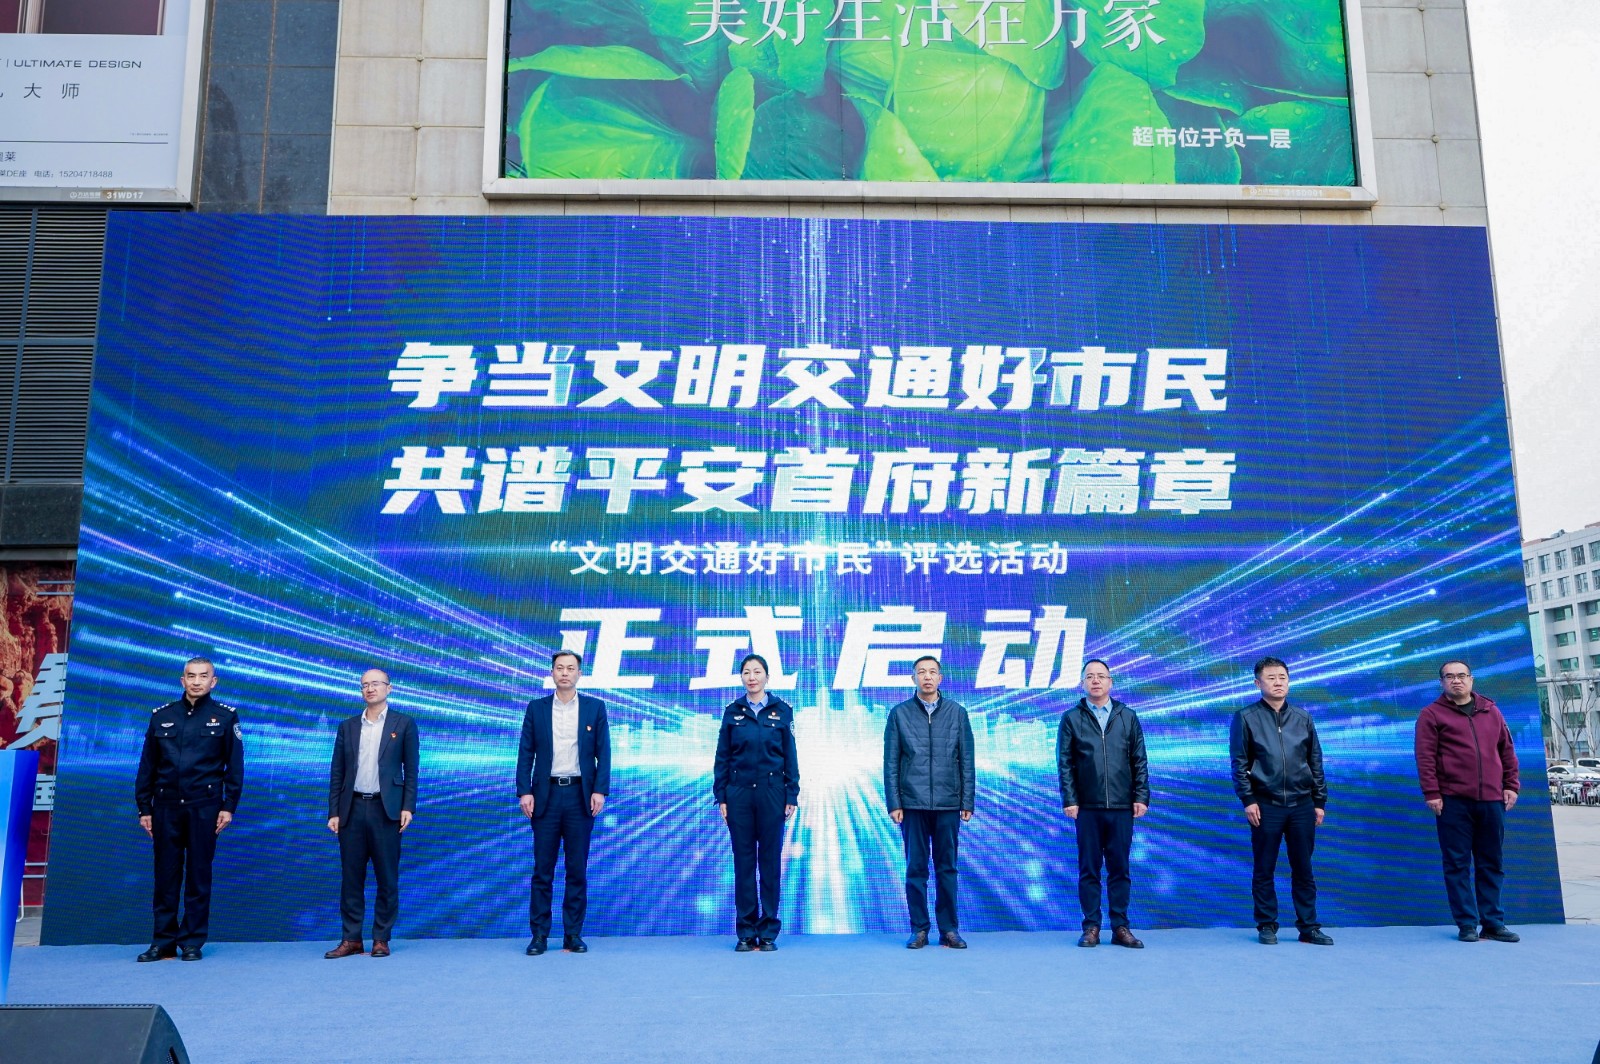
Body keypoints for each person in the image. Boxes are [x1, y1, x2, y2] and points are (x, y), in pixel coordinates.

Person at [133, 656, 244, 962]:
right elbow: (147, 765)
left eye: (203, 676)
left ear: (213, 681)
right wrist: (144, 808)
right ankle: (163, 941)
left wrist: (228, 806)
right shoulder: (162, 716)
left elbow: (234, 767)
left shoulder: (225, 717)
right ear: (182, 680)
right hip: (165, 807)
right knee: (165, 876)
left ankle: (192, 941)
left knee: (198, 875)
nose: (196, 681)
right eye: (191, 676)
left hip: (204, 808)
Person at [1414, 660, 1521, 943]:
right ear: (1442, 683)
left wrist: (1511, 785)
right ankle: (1466, 924)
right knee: (1457, 864)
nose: (1456, 680)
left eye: (1461, 675)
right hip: (1452, 802)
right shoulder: (1431, 715)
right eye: (1449, 677)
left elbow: (1507, 751)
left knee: (1491, 863)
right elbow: (1425, 758)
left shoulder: (1491, 710)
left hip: (1492, 800)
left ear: (1471, 680)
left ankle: (1493, 923)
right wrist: (1431, 792)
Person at [1229, 657, 1333, 946]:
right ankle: (1266, 924)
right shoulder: (1246, 717)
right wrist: (1248, 799)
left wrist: (1319, 800)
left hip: (1302, 804)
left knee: (1304, 868)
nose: (1278, 682)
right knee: (1265, 867)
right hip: (1265, 804)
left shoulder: (1303, 718)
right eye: (1271, 677)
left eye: (1282, 677)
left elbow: (1315, 761)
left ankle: (1309, 927)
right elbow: (1239, 763)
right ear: (1257, 683)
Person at [517, 650, 611, 955]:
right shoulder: (537, 708)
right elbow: (526, 752)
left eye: (571, 668)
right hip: (545, 796)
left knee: (576, 869)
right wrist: (524, 791)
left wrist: (600, 790)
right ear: (552, 673)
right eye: (560, 668)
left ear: (579, 674)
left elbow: (603, 753)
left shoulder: (595, 708)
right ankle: (539, 935)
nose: (565, 673)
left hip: (579, 796)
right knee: (542, 870)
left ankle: (573, 933)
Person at [324, 668, 419, 959]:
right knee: (351, 878)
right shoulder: (348, 726)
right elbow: (337, 772)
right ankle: (351, 938)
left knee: (386, 877)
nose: (370, 689)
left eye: (375, 684)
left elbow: (412, 770)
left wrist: (407, 806)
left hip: (386, 810)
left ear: (389, 688)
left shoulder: (404, 724)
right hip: (351, 809)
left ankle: (381, 938)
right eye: (364, 685)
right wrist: (334, 811)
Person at [884, 655, 975, 949]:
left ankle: (949, 929)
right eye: (921, 672)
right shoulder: (899, 714)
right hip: (912, 804)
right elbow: (891, 762)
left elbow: (967, 760)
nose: (927, 677)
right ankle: (919, 929)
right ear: (913, 679)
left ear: (940, 678)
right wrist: (895, 802)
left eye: (932, 672)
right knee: (916, 869)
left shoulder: (957, 713)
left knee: (947, 868)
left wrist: (967, 800)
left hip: (948, 803)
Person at [1057, 659, 1149, 949]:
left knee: (1120, 868)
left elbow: (1139, 760)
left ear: (1110, 682)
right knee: (1089, 869)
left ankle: (1120, 927)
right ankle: (1091, 927)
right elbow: (1065, 762)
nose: (1095, 681)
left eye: (1101, 676)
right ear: (1082, 683)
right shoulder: (1072, 718)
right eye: (1090, 677)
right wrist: (1070, 799)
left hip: (1122, 805)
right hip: (1087, 806)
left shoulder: (1127, 716)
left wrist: (1141, 795)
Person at [713, 653, 800, 952]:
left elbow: (790, 755)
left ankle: (769, 931)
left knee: (771, 863)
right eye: (747, 672)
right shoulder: (732, 712)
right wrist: (721, 796)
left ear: (767, 677)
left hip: (772, 793)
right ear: (741, 677)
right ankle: (746, 932)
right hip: (738, 794)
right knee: (744, 862)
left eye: (757, 672)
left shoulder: (782, 711)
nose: (752, 677)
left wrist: (791, 793)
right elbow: (722, 757)